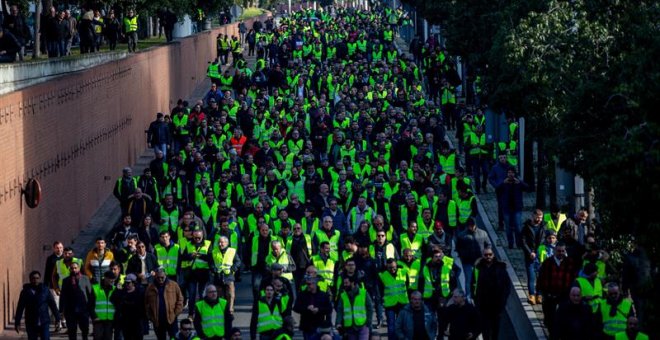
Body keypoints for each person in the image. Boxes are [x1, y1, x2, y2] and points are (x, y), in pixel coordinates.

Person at [537, 242, 578, 335]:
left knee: (563, 315)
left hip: (564, 294)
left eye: (563, 251)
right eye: (559, 251)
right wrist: (540, 291)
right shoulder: (547, 262)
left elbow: (573, 277)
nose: (561, 253)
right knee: (549, 317)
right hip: (549, 294)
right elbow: (541, 277)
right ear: (555, 251)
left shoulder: (569, 262)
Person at [471, 247, 511, 340]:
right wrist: (475, 298)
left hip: (497, 304)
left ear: (493, 255)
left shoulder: (500, 267)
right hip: (483, 304)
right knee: (485, 330)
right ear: (482, 256)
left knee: (495, 329)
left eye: (490, 254)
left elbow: (506, 285)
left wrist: (503, 300)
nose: (488, 256)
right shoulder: (478, 268)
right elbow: (473, 283)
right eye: (486, 255)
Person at [14, 270, 60, 339]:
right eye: (33, 278)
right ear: (30, 279)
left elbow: (52, 304)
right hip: (31, 322)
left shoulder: (45, 290)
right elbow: (20, 307)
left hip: (44, 321)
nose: (35, 280)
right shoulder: (25, 292)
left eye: (37, 278)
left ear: (40, 279)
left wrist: (57, 318)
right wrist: (17, 322)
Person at [145, 268, 184, 340]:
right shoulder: (150, 287)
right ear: (155, 276)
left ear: (165, 275)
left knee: (174, 337)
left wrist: (175, 313)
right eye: (158, 277)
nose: (160, 279)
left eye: (162, 277)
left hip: (171, 319)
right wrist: (151, 316)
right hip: (157, 321)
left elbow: (180, 299)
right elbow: (146, 303)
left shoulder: (174, 285)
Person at [455, 218, 490, 299]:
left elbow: (488, 244)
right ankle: (469, 297)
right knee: (469, 279)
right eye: (470, 226)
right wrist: (462, 255)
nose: (471, 227)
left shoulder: (482, 233)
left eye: (473, 226)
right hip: (467, 262)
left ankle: (481, 295)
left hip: (480, 261)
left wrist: (485, 255)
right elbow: (458, 247)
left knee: (481, 279)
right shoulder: (462, 235)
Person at [59, 261, 93, 340]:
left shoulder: (85, 279)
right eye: (72, 268)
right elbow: (63, 295)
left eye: (75, 268)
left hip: (83, 310)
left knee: (85, 332)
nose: (74, 270)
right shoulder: (66, 280)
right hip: (70, 310)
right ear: (69, 269)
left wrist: (90, 309)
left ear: (79, 268)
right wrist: (61, 310)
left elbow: (90, 294)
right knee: (72, 332)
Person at [521, 209, 548, 305]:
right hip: (530, 255)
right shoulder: (526, 227)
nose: (539, 219)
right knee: (531, 275)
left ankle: (539, 294)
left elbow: (546, 239)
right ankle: (531, 295)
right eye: (538, 217)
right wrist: (529, 252)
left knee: (540, 276)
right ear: (533, 216)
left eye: (541, 218)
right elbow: (523, 242)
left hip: (540, 254)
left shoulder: (544, 226)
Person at [294, 275, 332, 339]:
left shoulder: (323, 295)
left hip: (320, 325)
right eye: (307, 284)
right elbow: (296, 308)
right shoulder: (302, 294)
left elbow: (329, 309)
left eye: (309, 284)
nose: (307, 286)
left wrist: (319, 309)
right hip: (307, 325)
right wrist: (306, 308)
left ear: (315, 284)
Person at [335, 276, 373, 340]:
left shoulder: (364, 293)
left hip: (362, 325)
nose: (345, 285)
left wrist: (368, 322)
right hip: (350, 327)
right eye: (344, 283)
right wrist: (338, 322)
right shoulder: (343, 296)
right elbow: (340, 310)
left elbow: (370, 307)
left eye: (346, 283)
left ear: (352, 283)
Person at [115, 273, 146, 340]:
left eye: (128, 283)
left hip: (136, 322)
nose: (127, 284)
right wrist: (117, 290)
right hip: (126, 322)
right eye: (125, 283)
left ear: (133, 283)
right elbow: (114, 299)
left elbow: (143, 306)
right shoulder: (122, 292)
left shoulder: (139, 292)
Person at [89, 271, 119, 340]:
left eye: (113, 279)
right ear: (105, 278)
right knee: (98, 338)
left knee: (108, 338)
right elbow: (90, 305)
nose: (112, 281)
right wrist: (94, 316)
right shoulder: (95, 288)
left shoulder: (115, 289)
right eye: (110, 279)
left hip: (110, 320)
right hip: (98, 320)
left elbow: (118, 305)